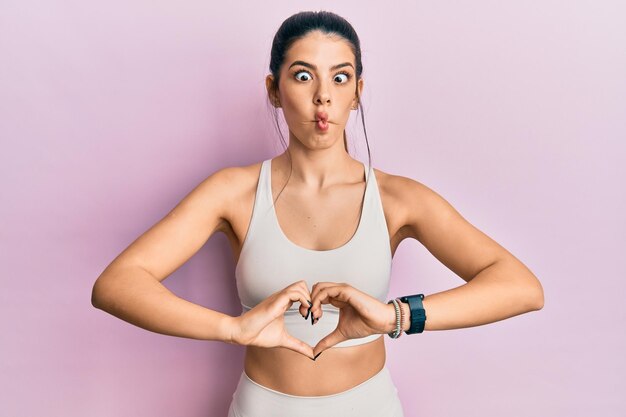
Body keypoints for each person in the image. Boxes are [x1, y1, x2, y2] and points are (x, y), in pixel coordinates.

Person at [91, 10, 544, 417]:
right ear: (274, 89)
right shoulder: (234, 192)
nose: (323, 97)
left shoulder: (398, 198)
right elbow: (116, 284)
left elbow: (521, 288)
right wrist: (232, 328)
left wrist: (395, 317)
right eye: (304, 76)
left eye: (340, 78)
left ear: (358, 93)